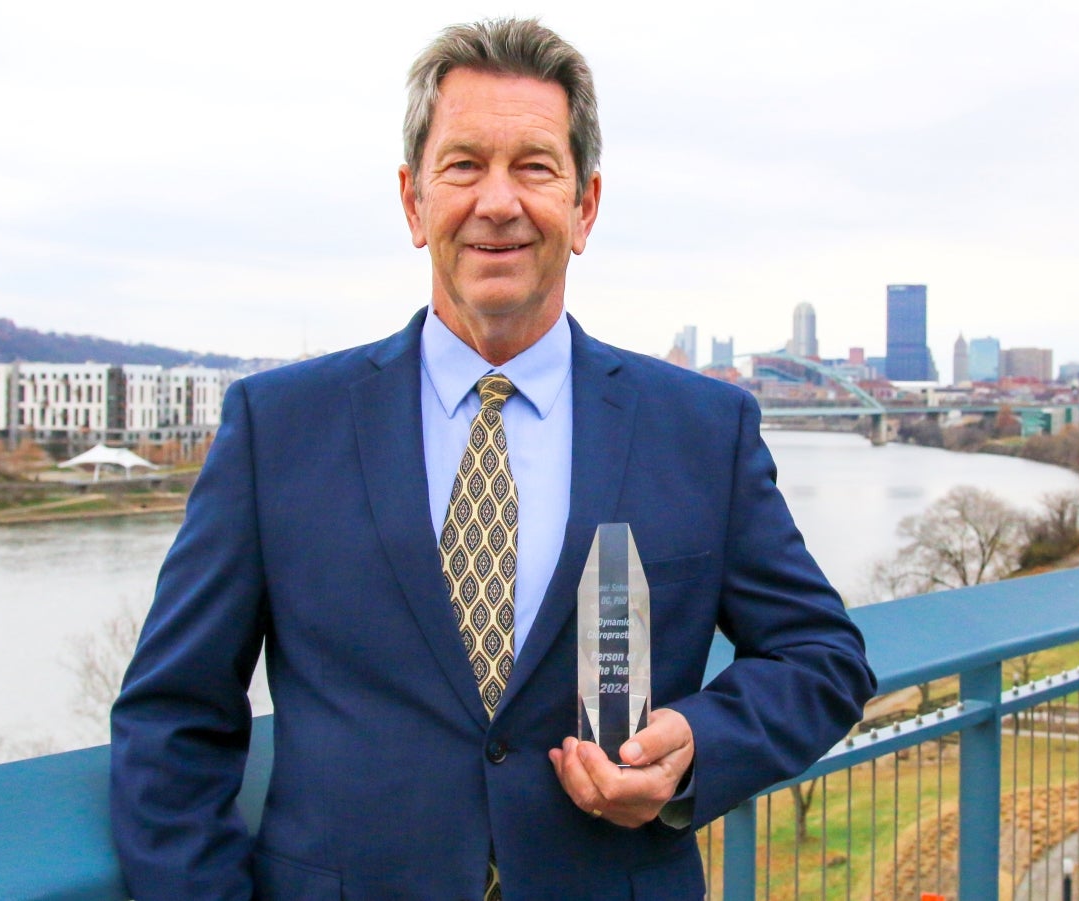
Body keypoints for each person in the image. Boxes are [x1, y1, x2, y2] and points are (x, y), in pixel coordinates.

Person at [110, 17, 876, 900]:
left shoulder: (703, 430)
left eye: (536, 167)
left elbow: (822, 655)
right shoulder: (278, 427)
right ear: (413, 202)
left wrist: (699, 744)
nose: (499, 202)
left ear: (584, 206)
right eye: (464, 165)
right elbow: (173, 717)